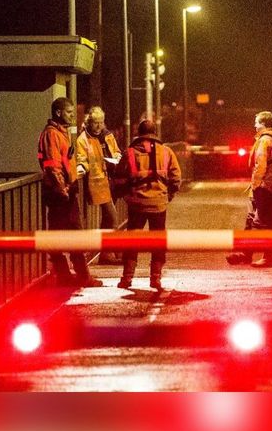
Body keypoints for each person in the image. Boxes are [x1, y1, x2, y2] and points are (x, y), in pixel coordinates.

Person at [37, 97, 102, 287]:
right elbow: (52, 165)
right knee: (71, 235)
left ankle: (67, 275)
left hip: (63, 190)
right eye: (69, 112)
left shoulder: (59, 133)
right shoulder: (53, 135)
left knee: (60, 235)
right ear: (58, 113)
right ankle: (78, 276)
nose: (73, 116)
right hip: (61, 193)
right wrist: (63, 189)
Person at [111, 119, 182, 291]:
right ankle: (155, 278)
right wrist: (169, 194)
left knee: (132, 241)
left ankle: (127, 278)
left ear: (139, 133)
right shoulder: (167, 152)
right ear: (155, 133)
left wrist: (124, 194)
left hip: (136, 204)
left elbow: (119, 179)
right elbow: (176, 178)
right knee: (158, 241)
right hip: (159, 204)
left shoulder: (129, 154)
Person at [226, 111, 272, 268]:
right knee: (264, 220)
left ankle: (263, 255)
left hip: (264, 186)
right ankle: (252, 254)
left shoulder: (264, 140)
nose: (254, 125)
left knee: (262, 221)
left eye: (257, 122)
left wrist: (256, 185)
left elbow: (260, 165)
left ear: (264, 124)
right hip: (271, 185)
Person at [76, 106, 123, 263]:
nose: (99, 126)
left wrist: (116, 157)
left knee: (107, 220)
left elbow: (116, 151)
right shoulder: (83, 139)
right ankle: (111, 251)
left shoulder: (107, 135)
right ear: (89, 122)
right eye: (96, 122)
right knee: (113, 218)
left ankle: (107, 253)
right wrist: (81, 168)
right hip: (98, 183)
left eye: (101, 122)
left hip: (112, 181)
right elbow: (82, 160)